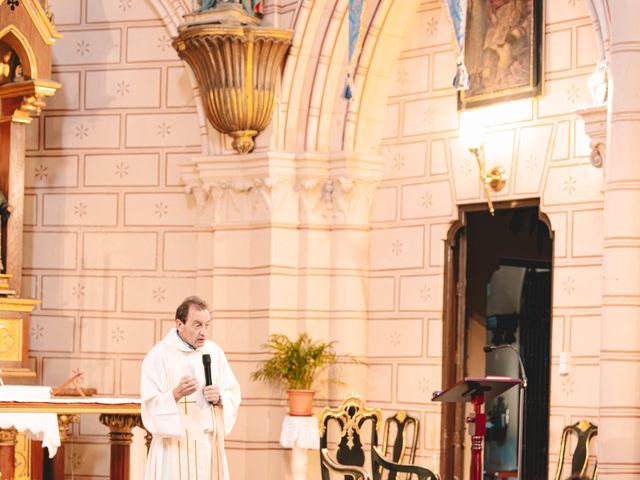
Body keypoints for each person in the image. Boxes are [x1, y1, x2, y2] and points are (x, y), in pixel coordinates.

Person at [140, 296, 241, 480]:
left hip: (207, 447)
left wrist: (220, 398)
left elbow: (232, 393)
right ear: (180, 324)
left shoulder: (214, 352)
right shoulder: (159, 355)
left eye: (206, 325)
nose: (204, 332)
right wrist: (174, 395)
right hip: (173, 449)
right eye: (197, 325)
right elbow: (149, 406)